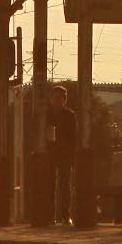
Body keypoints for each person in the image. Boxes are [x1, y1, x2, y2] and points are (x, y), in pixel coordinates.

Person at [45, 85, 80, 224]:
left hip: (65, 154)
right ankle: (50, 215)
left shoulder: (70, 115)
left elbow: (73, 137)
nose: (57, 101)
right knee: (50, 185)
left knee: (64, 185)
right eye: (54, 98)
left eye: (60, 98)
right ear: (50, 99)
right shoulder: (46, 115)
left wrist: (72, 157)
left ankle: (66, 215)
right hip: (50, 153)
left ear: (65, 100)